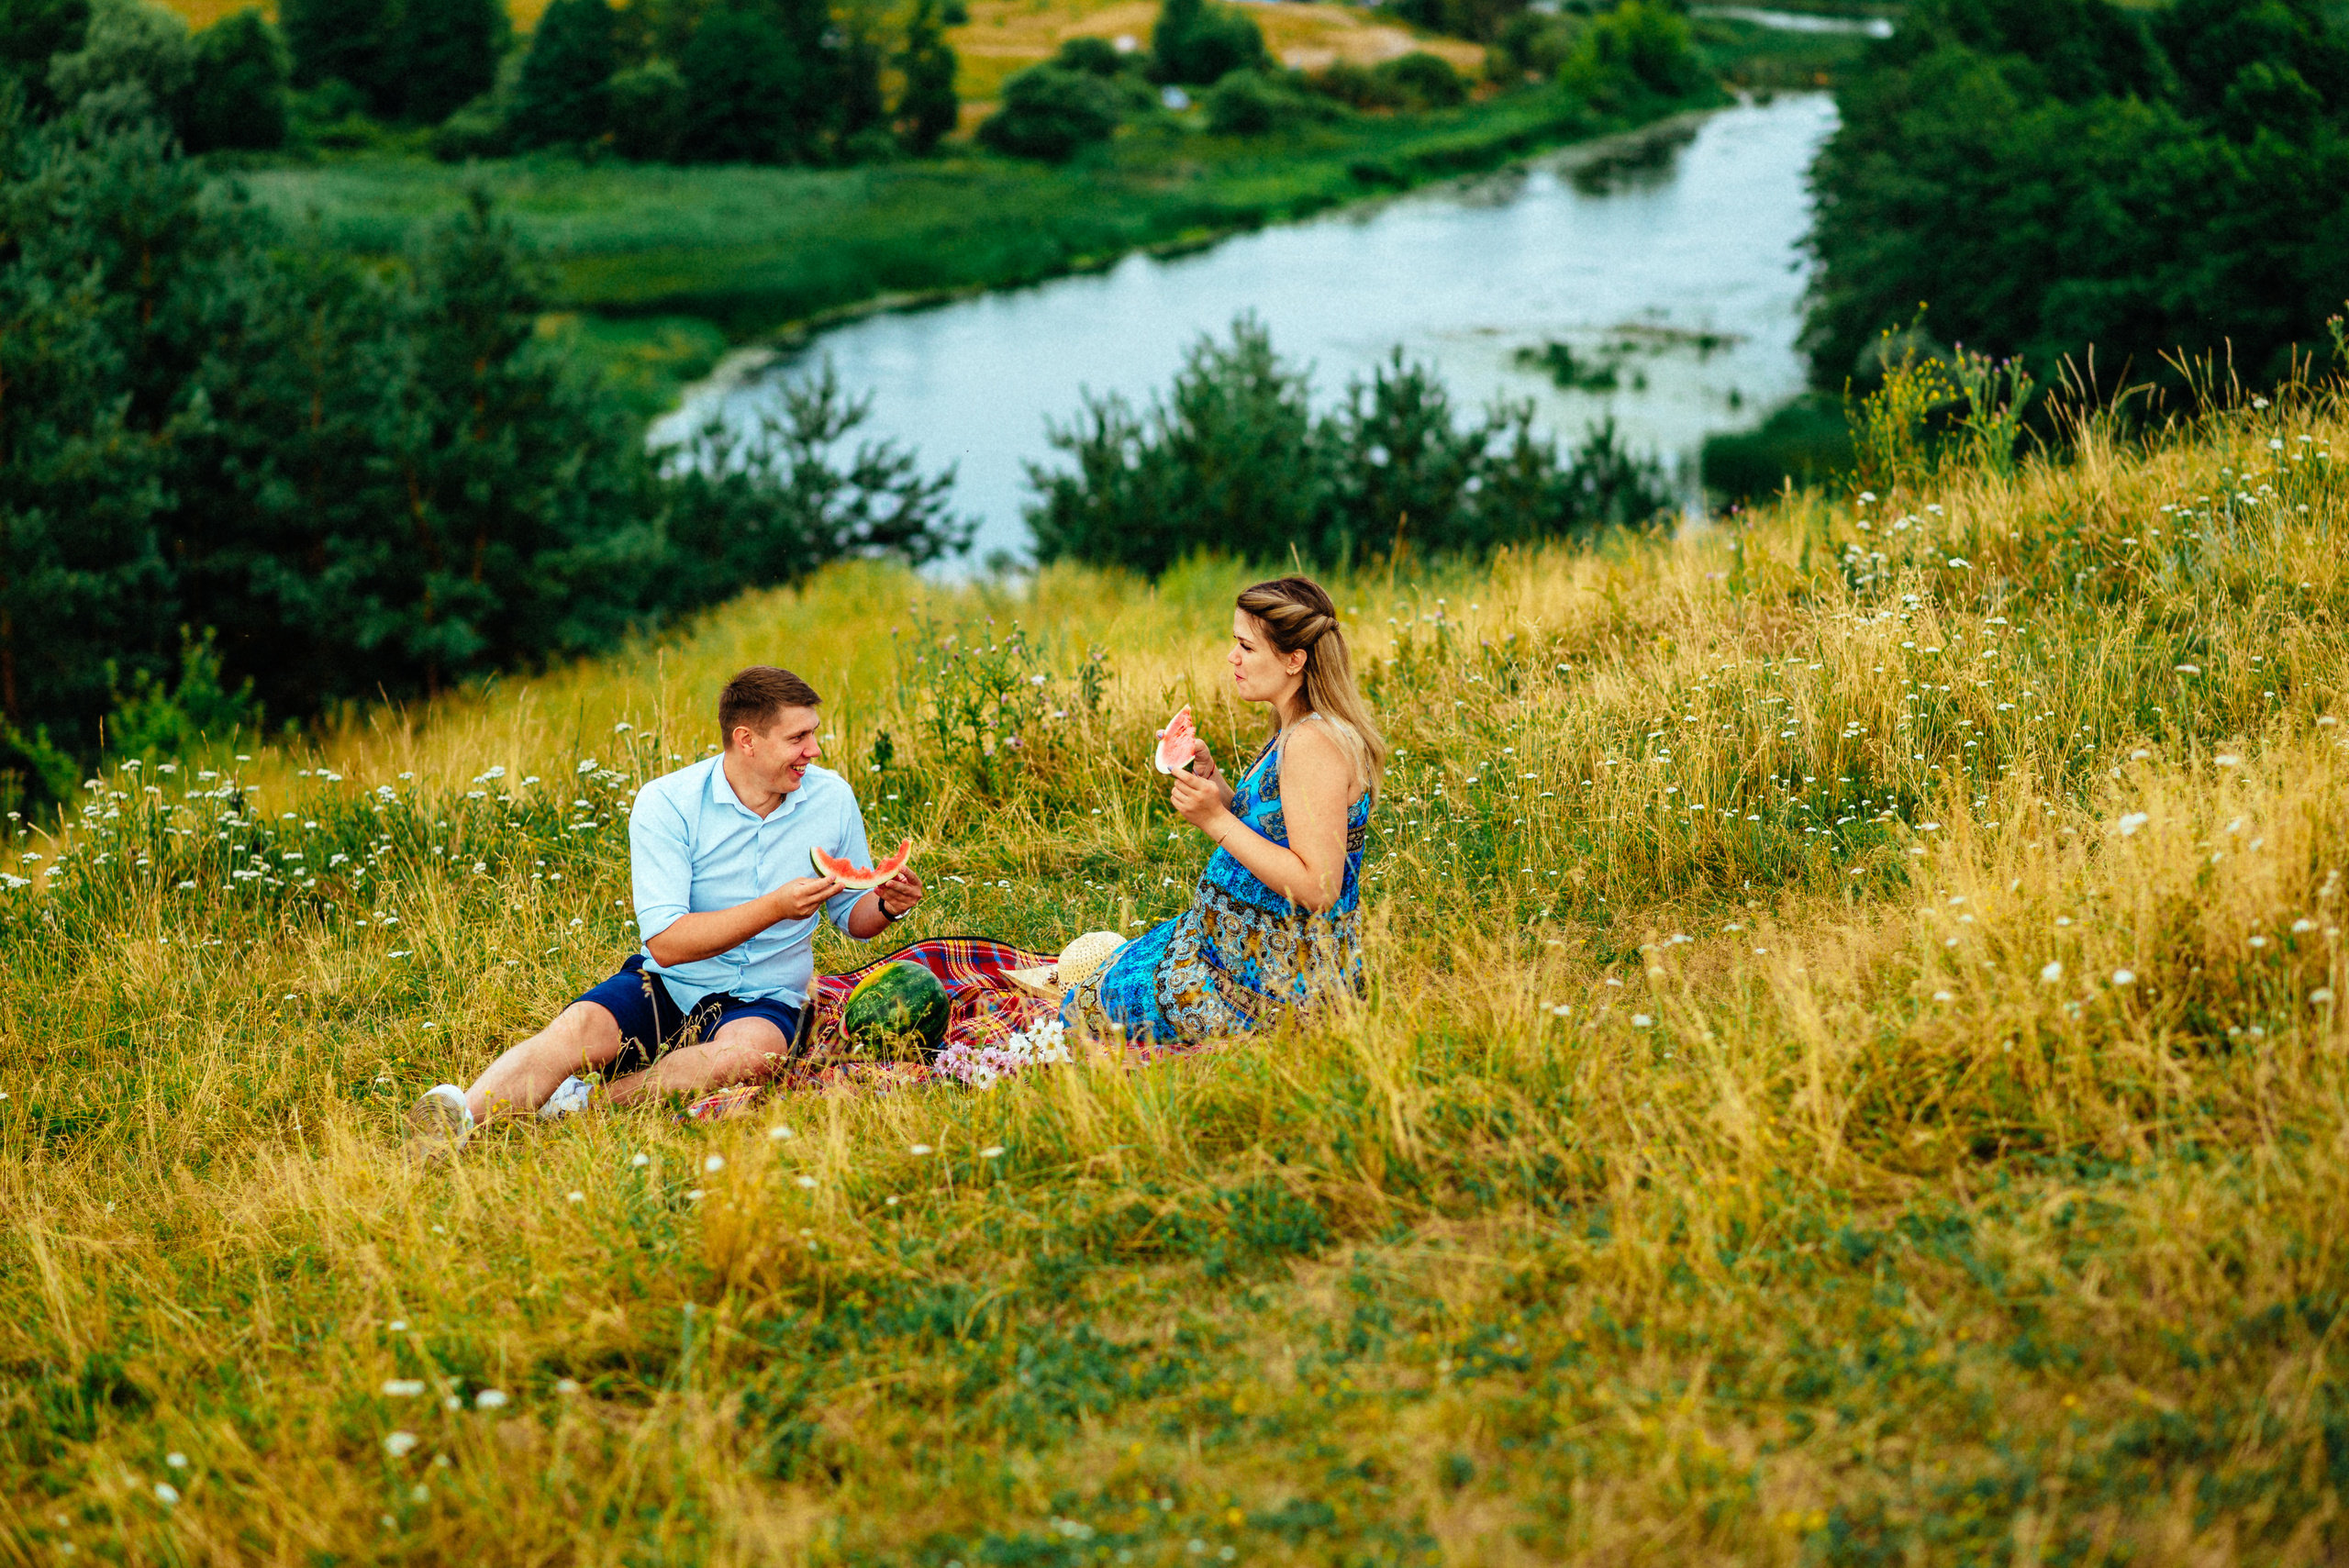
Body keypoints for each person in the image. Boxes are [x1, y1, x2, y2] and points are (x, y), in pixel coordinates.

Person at [407, 665, 924, 1155]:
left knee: (747, 1059)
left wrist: (884, 905)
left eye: (813, 734)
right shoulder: (668, 803)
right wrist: (774, 908)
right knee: (577, 1029)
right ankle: (458, 1117)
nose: (813, 750)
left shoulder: (832, 797)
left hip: (768, 996)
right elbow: (667, 944)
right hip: (670, 982)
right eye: (797, 739)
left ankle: (580, 1105)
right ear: (746, 739)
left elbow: (850, 916)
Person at [1065, 575, 1384, 1043]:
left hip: (1269, 985)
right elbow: (1280, 833)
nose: (1232, 658)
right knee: (1109, 977)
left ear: (1295, 660)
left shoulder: (1313, 744)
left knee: (1081, 1013)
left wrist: (1215, 820)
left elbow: (1318, 888)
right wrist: (1216, 784)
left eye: (1246, 647)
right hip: (1237, 953)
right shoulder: (1298, 728)